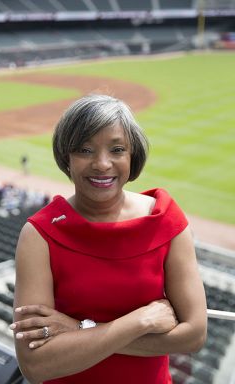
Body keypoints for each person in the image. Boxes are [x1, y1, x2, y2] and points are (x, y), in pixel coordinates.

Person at [11, 94, 207, 384]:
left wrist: (80, 329)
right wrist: (139, 322)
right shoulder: (39, 235)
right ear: (67, 156)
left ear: (132, 155)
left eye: (117, 149)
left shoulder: (165, 220)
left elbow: (193, 335)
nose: (102, 164)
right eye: (85, 150)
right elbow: (35, 365)